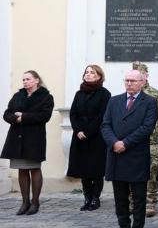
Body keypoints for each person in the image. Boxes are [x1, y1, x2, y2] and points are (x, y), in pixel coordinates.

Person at [101, 70, 158, 228]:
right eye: (127, 80)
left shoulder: (149, 102)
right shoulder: (114, 100)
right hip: (116, 154)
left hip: (135, 155)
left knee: (139, 196)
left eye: (133, 81)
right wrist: (114, 143)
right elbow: (105, 125)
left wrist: (125, 143)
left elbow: (147, 127)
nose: (129, 84)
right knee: (120, 196)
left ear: (142, 82)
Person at [1, 70, 54, 215]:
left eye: (28, 79)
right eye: (23, 79)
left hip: (34, 139)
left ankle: (35, 202)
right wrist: (16, 118)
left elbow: (44, 116)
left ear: (37, 80)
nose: (25, 82)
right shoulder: (18, 96)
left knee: (34, 168)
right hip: (16, 138)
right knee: (22, 169)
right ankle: (25, 202)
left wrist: (23, 117)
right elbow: (7, 114)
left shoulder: (46, 97)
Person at [67, 65, 111, 212]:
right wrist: (78, 130)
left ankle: (95, 198)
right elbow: (73, 114)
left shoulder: (104, 94)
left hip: (96, 137)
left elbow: (102, 116)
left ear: (99, 76)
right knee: (83, 169)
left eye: (92, 72)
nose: (88, 74)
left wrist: (88, 131)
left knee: (96, 170)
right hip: (80, 137)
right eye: (86, 72)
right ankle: (87, 197)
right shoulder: (79, 93)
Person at [132, 62, 158, 218]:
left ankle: (150, 201)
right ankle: (133, 201)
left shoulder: (156, 95)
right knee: (131, 172)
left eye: (140, 74)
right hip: (131, 142)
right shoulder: (129, 94)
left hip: (150, 142)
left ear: (146, 76)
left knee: (151, 171)